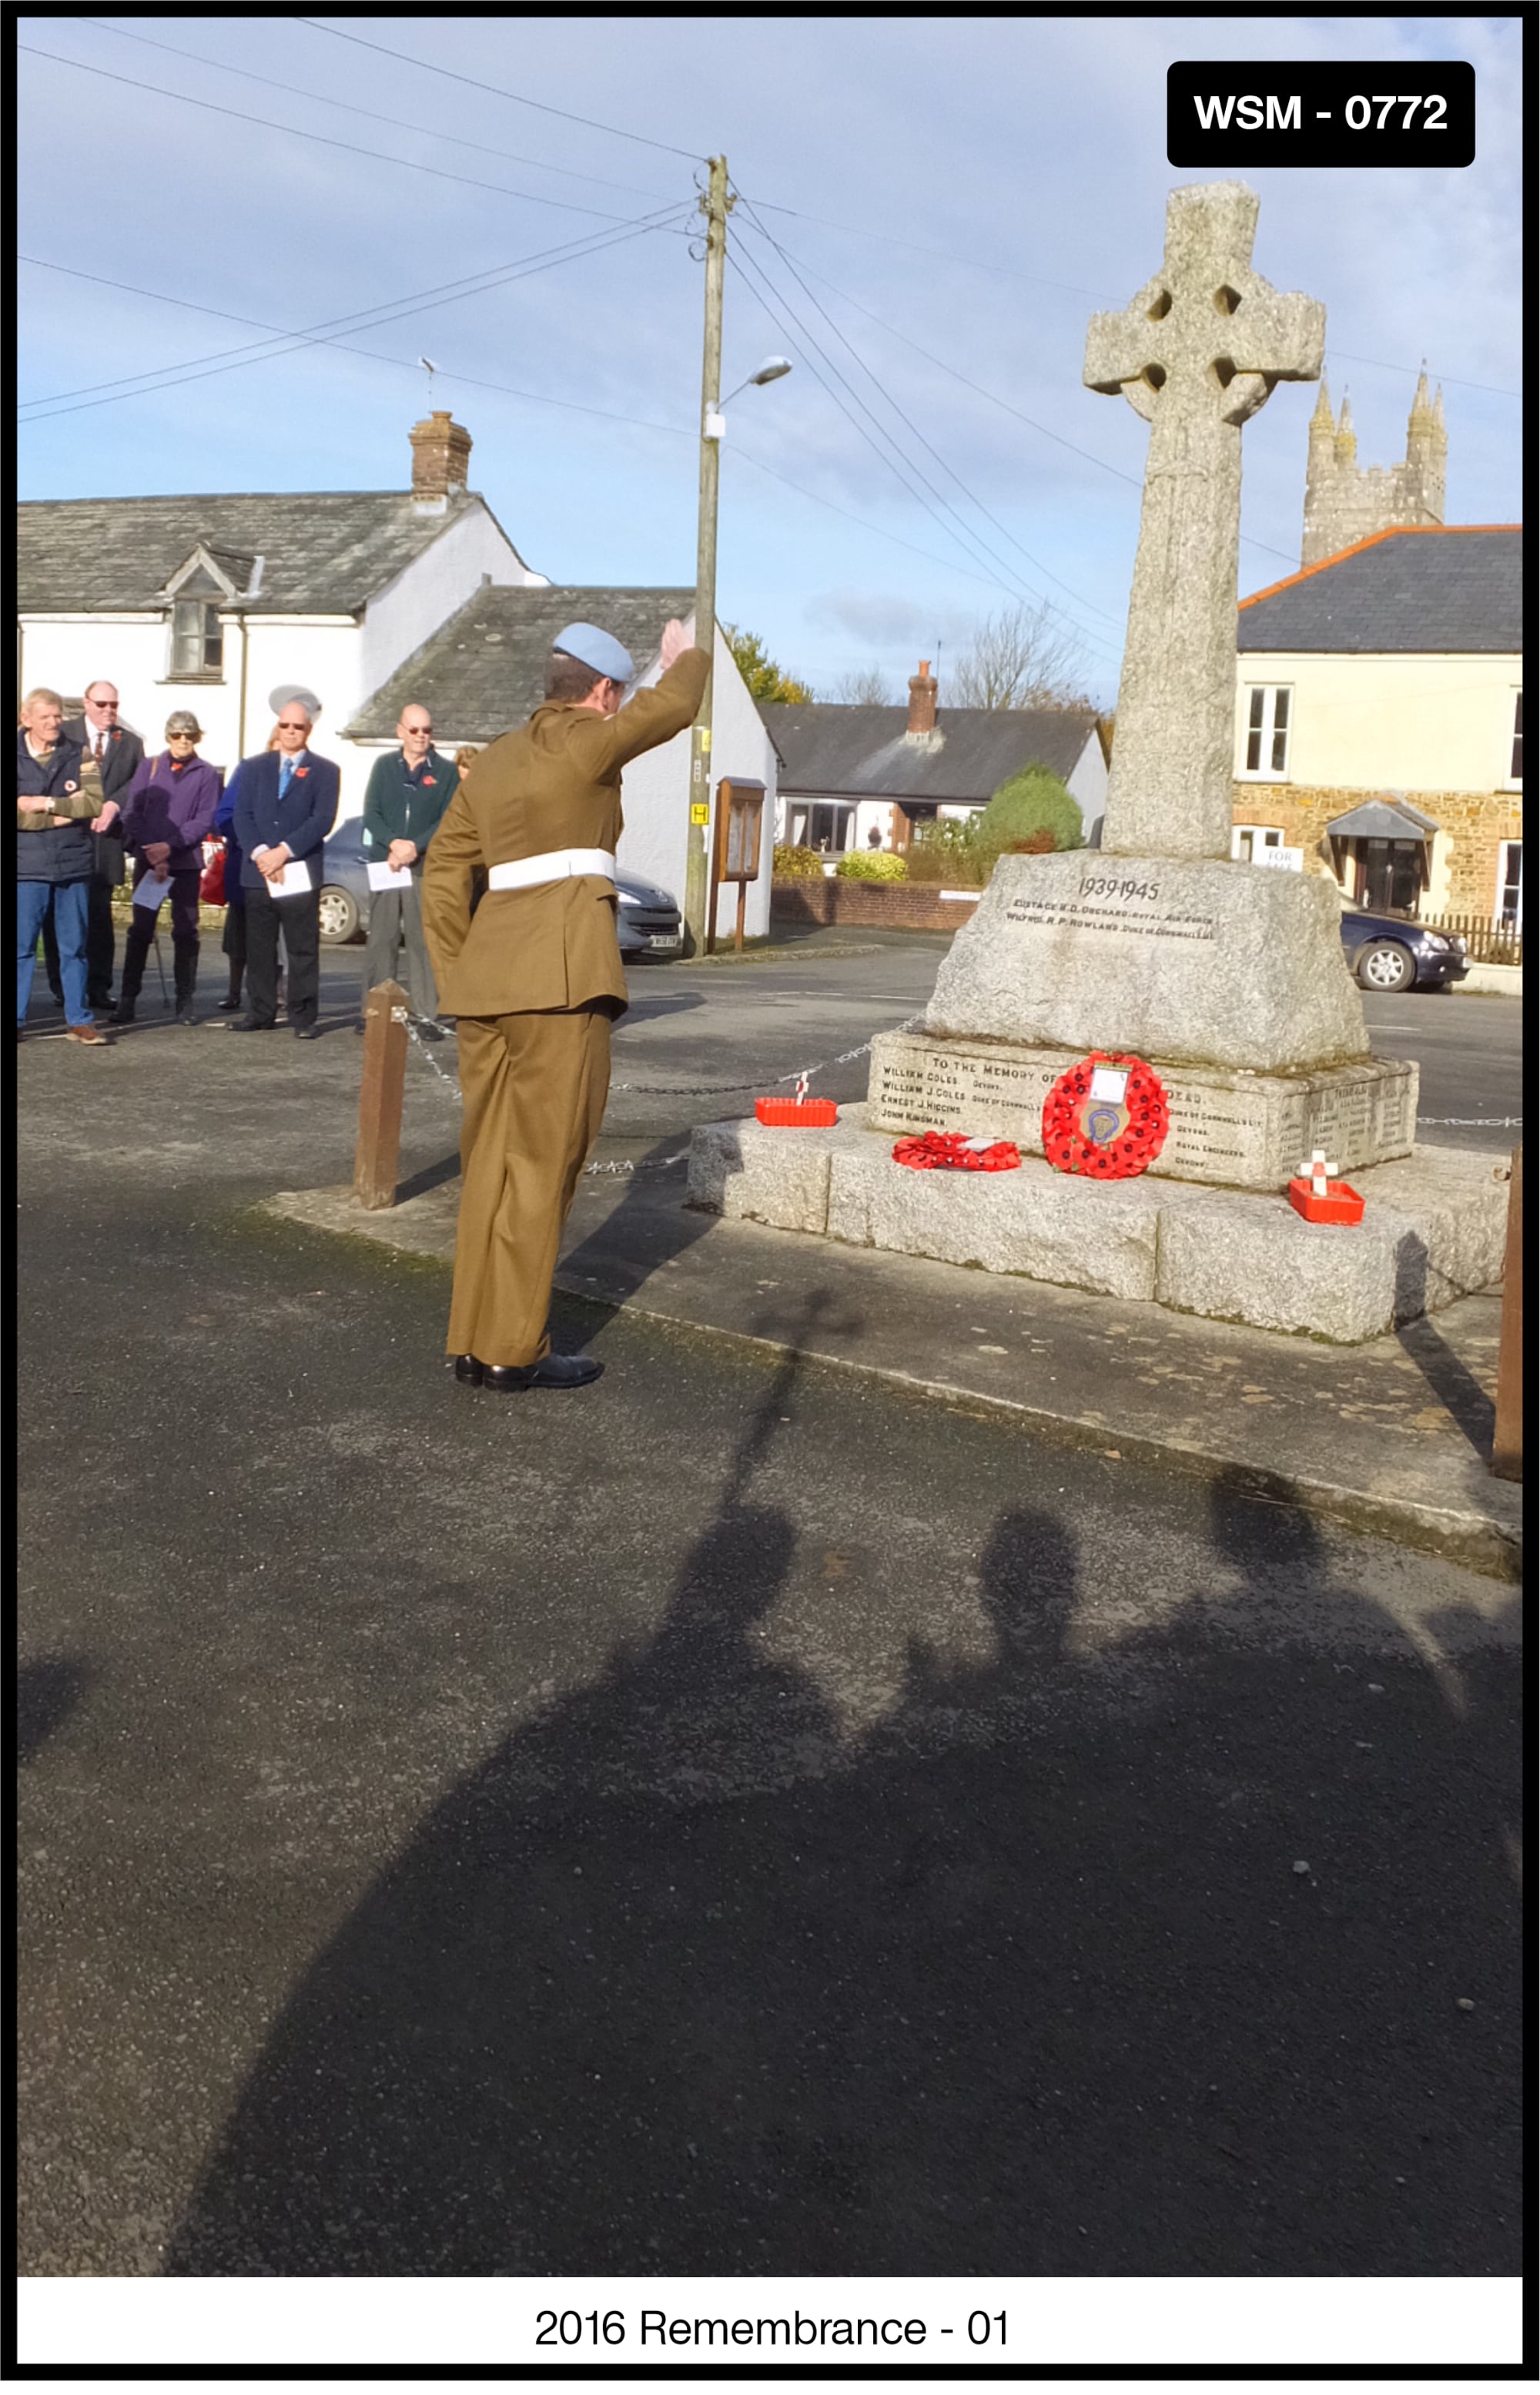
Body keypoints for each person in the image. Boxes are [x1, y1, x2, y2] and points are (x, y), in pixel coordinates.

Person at [423, 617, 708, 1391]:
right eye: (616, 698)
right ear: (601, 692)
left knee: (489, 1161)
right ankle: (514, 1349)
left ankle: (473, 1341)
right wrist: (686, 658)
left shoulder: (493, 763)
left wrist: (462, 970)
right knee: (544, 1165)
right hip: (561, 982)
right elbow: (672, 709)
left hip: (486, 989)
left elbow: (443, 873)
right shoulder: (588, 741)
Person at [230, 696, 339, 1038]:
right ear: (278, 726)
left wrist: (284, 852)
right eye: (285, 725)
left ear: (309, 730)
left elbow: (321, 820)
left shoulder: (326, 771)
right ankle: (260, 1011)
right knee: (259, 947)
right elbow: (241, 815)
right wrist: (263, 853)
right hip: (259, 871)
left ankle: (303, 1016)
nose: (291, 731)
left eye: (298, 727)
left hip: (298, 869)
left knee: (302, 947)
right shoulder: (253, 767)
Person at [110, 711, 225, 1026]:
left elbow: (204, 819)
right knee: (140, 930)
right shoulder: (150, 767)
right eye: (177, 736)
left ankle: (185, 1000)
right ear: (168, 737)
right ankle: (128, 999)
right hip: (150, 863)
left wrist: (170, 847)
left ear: (197, 738)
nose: (183, 741)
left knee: (186, 930)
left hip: (185, 864)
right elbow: (132, 813)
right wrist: (155, 851)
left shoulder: (206, 774)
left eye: (189, 736)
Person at [17, 688, 112, 1046]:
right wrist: (55, 817)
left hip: (73, 865)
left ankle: (79, 1019)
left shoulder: (79, 753)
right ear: (27, 719)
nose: (55, 723)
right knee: (20, 948)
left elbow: (93, 803)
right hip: (26, 867)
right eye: (46, 717)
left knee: (74, 946)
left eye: (57, 716)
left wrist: (42, 803)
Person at [357, 703, 458, 1038]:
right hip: (386, 862)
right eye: (414, 730)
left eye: (426, 731)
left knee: (421, 940)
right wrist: (393, 844)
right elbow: (371, 812)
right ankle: (376, 1011)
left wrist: (415, 846)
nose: (421, 737)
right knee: (382, 939)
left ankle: (427, 1014)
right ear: (400, 731)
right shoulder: (384, 766)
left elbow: (448, 818)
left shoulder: (446, 772)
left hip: (421, 865)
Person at [51, 681, 142, 1010]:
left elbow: (137, 783)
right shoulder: (65, 734)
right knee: (61, 913)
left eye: (114, 705)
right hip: (67, 835)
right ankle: (62, 986)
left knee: (99, 917)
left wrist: (113, 805)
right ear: (87, 703)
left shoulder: (130, 743)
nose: (109, 711)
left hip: (106, 840)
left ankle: (99, 987)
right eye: (102, 704)